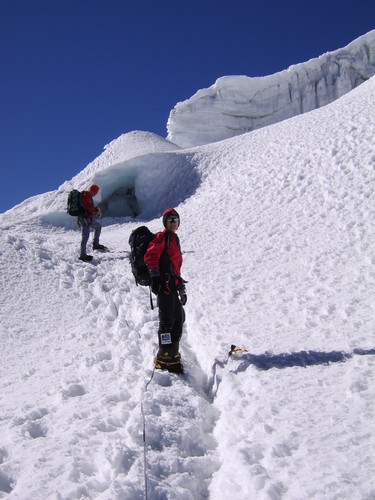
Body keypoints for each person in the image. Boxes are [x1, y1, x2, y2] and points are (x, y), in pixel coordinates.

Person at [144, 208, 187, 373]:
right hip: (165, 286)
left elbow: (175, 267)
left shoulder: (174, 239)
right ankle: (163, 358)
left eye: (176, 220)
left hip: (173, 285)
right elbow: (150, 256)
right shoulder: (161, 237)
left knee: (179, 318)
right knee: (167, 322)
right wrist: (155, 277)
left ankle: (172, 354)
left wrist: (181, 287)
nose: (173, 223)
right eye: (170, 220)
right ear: (165, 222)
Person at [77, 184, 106, 262]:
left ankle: (95, 244)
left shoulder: (87, 196)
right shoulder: (85, 196)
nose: (94, 194)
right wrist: (96, 210)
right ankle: (82, 255)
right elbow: (89, 207)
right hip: (85, 219)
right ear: (93, 191)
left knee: (98, 227)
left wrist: (95, 210)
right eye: (95, 193)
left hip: (88, 218)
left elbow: (88, 207)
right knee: (85, 236)